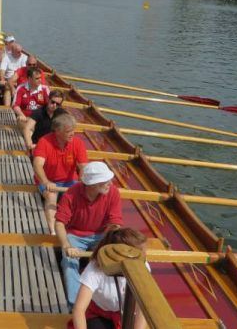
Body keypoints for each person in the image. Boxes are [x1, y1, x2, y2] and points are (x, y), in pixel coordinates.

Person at [55, 162, 123, 307]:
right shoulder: (71, 194)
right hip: (75, 235)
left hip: (102, 235)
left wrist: (104, 244)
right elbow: (59, 223)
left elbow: (115, 224)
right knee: (69, 262)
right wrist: (67, 246)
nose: (110, 183)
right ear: (92, 185)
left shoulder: (113, 192)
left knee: (109, 260)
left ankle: (104, 303)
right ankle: (75, 303)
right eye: (106, 181)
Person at [71, 228, 147, 329]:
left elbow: (142, 309)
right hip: (98, 314)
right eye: (142, 252)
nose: (145, 256)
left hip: (125, 314)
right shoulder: (95, 267)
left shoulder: (141, 264)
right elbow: (79, 310)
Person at [33, 113, 88, 235]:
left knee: (82, 196)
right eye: (69, 131)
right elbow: (37, 165)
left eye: (73, 130)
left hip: (70, 181)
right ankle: (53, 231)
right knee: (52, 195)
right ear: (57, 131)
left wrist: (82, 182)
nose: (72, 133)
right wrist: (46, 182)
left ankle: (77, 228)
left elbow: (83, 167)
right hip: (48, 180)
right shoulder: (44, 142)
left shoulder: (78, 143)